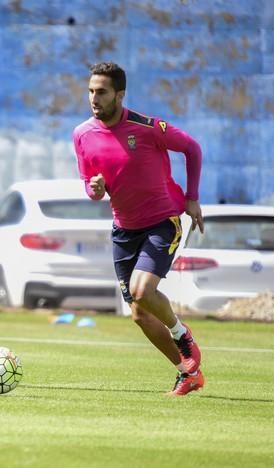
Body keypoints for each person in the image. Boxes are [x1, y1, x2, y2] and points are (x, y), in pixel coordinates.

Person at [72, 62, 205, 396]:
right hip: (123, 229)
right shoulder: (82, 134)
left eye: (101, 92)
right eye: (90, 91)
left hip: (162, 222)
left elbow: (192, 148)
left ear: (120, 94)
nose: (94, 98)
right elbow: (88, 186)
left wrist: (192, 198)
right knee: (138, 314)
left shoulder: (147, 127)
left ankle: (182, 335)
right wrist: (96, 190)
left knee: (143, 290)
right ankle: (186, 373)